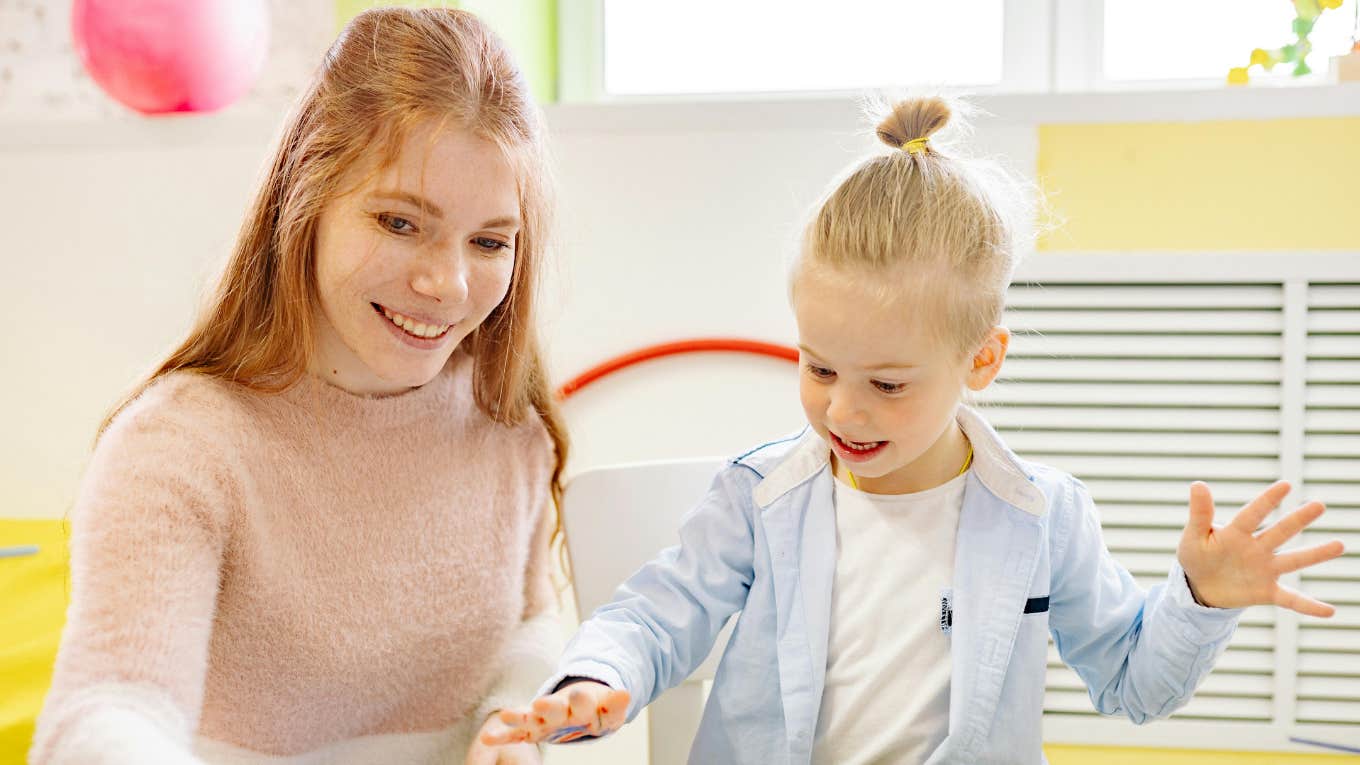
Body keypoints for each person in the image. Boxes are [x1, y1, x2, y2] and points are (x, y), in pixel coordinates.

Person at [481, 96, 1346, 764]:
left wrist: (1198, 598)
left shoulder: (1043, 515)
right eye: (819, 368)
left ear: (982, 360)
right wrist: (599, 677)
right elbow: (655, 617)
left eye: (888, 383)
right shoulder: (757, 498)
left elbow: (1133, 683)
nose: (844, 412)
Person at [31, 8, 564, 764]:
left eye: (488, 241)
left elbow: (530, 623)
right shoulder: (179, 449)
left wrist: (514, 718)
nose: (446, 283)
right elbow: (110, 704)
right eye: (400, 222)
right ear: (305, 199)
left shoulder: (504, 423)